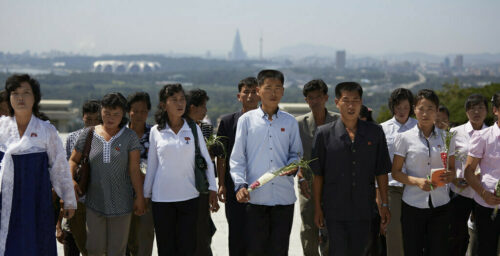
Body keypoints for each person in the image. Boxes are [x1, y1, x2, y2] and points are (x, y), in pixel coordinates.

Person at [312, 82, 391, 256]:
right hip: (334, 210)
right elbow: (318, 175)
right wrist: (317, 208)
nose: (351, 105)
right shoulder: (323, 134)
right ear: (336, 102)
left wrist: (384, 203)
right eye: (346, 100)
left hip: (364, 209)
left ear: (361, 102)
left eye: (355, 100)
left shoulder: (375, 132)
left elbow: (381, 171)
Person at [0, 74, 77, 255]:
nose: (20, 98)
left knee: (36, 244)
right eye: (15, 93)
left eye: (26, 93)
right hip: (5, 199)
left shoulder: (46, 131)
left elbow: (60, 168)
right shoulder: (1, 128)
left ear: (35, 97)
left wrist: (69, 199)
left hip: (35, 199)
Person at [230, 69, 303, 255]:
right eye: (268, 88)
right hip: (256, 199)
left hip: (284, 199)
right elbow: (237, 158)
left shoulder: (290, 122)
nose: (273, 93)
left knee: (279, 250)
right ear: (258, 90)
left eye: (278, 88)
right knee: (255, 250)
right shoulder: (246, 121)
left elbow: (296, 153)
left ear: (283, 91)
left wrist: (294, 164)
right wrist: (239, 185)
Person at [144, 84, 218, 255]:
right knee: (166, 248)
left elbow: (206, 160)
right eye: (174, 100)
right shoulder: (156, 131)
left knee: (187, 247)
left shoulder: (192, 128)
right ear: (164, 104)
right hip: (161, 200)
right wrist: (145, 195)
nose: (180, 104)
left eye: (182, 99)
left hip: (189, 198)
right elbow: (153, 165)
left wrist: (213, 188)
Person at [69, 92, 146, 256]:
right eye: (107, 113)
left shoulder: (130, 137)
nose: (110, 118)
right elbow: (73, 160)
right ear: (101, 111)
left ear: (123, 114)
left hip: (122, 204)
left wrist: (139, 196)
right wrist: (71, 181)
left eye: (116, 114)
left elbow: (134, 169)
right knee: (94, 250)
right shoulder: (88, 134)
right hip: (94, 203)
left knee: (116, 251)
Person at [392, 89, 456, 255]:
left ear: (436, 111)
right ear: (415, 109)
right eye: (421, 108)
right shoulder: (404, 138)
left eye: (430, 109)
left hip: (441, 204)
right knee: (412, 250)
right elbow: (396, 173)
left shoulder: (447, 137)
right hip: (413, 204)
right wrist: (417, 182)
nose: (425, 113)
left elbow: (452, 168)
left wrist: (451, 175)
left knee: (438, 250)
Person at [216, 77, 260, 256]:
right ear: (238, 96)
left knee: (258, 233)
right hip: (234, 185)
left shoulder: (267, 121)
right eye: (246, 92)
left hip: (259, 185)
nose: (250, 96)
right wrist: (221, 184)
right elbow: (221, 155)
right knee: (236, 232)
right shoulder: (228, 122)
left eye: (253, 92)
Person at [295, 79, 339, 256]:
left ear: (326, 98)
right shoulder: (299, 124)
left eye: (318, 97)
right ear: (306, 100)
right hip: (308, 184)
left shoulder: (339, 121)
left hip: (334, 185)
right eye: (310, 98)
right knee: (308, 229)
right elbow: (293, 156)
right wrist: (300, 176)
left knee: (334, 229)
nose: (315, 101)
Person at [57, 99, 101, 256]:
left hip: (98, 205)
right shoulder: (72, 138)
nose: (93, 123)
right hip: (76, 202)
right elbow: (64, 171)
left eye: (97, 120)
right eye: (89, 119)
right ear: (83, 117)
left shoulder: (107, 139)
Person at [448, 94, 488, 256]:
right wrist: (454, 179)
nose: (476, 112)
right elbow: (447, 161)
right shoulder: (454, 133)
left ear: (488, 111)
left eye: (480, 108)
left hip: (482, 192)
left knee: (482, 235)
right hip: (459, 191)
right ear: (466, 112)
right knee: (456, 235)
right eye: (472, 108)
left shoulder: (493, 134)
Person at [380, 88, 417, 255]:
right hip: (392, 187)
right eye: (398, 107)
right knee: (393, 231)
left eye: (405, 107)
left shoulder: (419, 127)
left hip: (415, 186)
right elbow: (378, 163)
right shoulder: (382, 129)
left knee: (414, 232)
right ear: (392, 107)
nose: (402, 111)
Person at [464, 91, 500, 256]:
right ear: (495, 110)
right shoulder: (483, 136)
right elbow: (469, 172)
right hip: (486, 204)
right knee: (486, 249)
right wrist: (484, 193)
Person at [185, 88, 217, 256]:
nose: (205, 111)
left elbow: (208, 161)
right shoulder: (179, 128)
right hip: (187, 186)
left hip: (202, 185)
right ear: (192, 107)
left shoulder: (204, 128)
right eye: (203, 106)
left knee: (204, 232)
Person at [126, 92, 155, 256]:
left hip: (147, 196)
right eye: (134, 111)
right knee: (124, 241)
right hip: (123, 196)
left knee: (144, 241)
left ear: (148, 112)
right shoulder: (120, 134)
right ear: (128, 111)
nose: (138, 115)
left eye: (143, 111)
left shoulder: (155, 134)